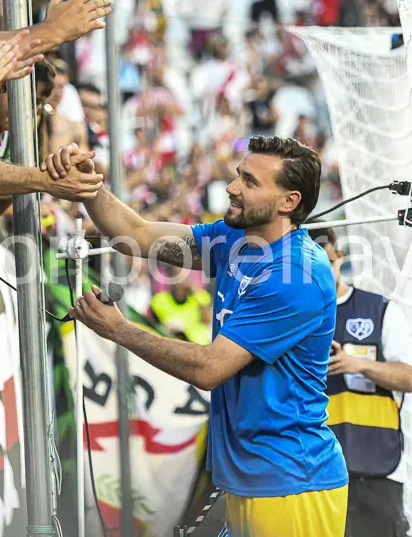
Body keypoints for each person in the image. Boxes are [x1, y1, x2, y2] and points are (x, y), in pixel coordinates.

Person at [58, 136, 348, 537]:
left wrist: (120, 330)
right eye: (237, 175)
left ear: (288, 201)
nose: (232, 187)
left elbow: (210, 369)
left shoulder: (296, 275)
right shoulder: (238, 240)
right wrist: (89, 185)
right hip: (252, 478)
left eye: (249, 181)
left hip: (290, 483)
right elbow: (136, 232)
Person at [310, 226, 412, 537]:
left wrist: (358, 364)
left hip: (377, 465)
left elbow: (408, 378)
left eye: (325, 263)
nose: (319, 273)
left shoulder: (379, 309)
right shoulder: (295, 320)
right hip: (317, 471)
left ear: (339, 258)